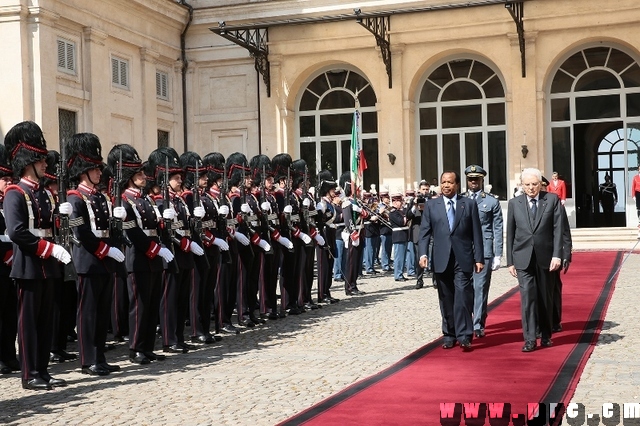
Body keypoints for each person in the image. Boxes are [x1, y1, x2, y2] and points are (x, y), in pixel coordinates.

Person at [4, 121, 71, 390]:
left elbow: (47, 225)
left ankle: (42, 370)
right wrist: (49, 249)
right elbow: (18, 231)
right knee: (29, 323)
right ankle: (29, 372)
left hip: (47, 267)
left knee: (46, 321)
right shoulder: (15, 192)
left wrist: (61, 219)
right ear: (28, 162)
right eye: (41, 161)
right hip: (29, 265)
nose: (46, 165)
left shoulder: (43, 193)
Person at [67, 133, 125, 376]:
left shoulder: (100, 197)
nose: (100, 173)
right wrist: (106, 250)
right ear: (84, 171)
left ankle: (99, 356)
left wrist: (118, 223)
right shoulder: (74, 198)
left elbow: (106, 228)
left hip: (104, 262)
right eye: (95, 169)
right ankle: (88, 359)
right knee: (88, 313)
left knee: (102, 313)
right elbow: (80, 232)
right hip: (88, 261)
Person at [111, 144, 174, 364]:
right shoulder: (124, 200)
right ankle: (135, 347)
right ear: (129, 177)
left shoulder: (144, 199)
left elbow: (154, 228)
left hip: (153, 258)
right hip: (138, 257)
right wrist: (154, 249)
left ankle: (147, 347)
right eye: (138, 174)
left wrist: (166, 221)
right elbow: (132, 231)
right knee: (139, 305)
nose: (143, 177)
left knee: (151, 303)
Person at [418, 171, 484, 351]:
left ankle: (464, 335)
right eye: (443, 182)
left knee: (463, 296)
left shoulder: (468, 204)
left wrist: (479, 257)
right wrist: (423, 254)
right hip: (441, 258)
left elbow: (476, 233)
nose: (446, 185)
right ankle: (449, 334)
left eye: (450, 182)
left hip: (462, 258)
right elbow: (424, 233)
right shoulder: (432, 205)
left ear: (457, 185)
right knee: (446, 298)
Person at [506, 167, 563, 353]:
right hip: (523, 258)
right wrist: (510, 261)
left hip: (546, 258)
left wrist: (557, 255)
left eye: (534, 184)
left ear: (541, 184)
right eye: (527, 185)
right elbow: (511, 233)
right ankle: (530, 339)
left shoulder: (552, 200)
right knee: (527, 298)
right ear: (522, 185)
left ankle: (546, 335)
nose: (531, 188)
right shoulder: (514, 203)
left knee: (544, 297)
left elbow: (557, 230)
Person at [464, 165, 503, 338]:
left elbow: (498, 229)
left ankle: (477, 323)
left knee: (480, 288)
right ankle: (466, 320)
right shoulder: (460, 200)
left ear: (482, 180)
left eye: (476, 179)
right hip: (464, 250)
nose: (473, 182)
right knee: (465, 289)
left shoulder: (491, 201)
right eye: (471, 179)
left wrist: (498, 254)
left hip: (485, 250)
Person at [0, 144, 20, 376]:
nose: (8, 182)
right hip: (1, 264)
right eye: (4, 178)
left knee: (10, 315)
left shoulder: (10, 201)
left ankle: (8, 355)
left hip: (13, 265)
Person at [406, 180, 429, 288]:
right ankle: (419, 280)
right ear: (419, 190)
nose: (425, 192)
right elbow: (408, 216)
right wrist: (415, 206)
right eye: (423, 189)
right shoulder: (412, 201)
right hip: (418, 232)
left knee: (433, 256)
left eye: (426, 189)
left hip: (431, 232)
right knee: (418, 257)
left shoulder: (432, 200)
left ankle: (435, 280)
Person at [389, 192, 409, 282]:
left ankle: (400, 273)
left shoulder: (400, 211)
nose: (401, 203)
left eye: (400, 201)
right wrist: (406, 216)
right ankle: (398, 275)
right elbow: (401, 222)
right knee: (399, 257)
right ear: (394, 202)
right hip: (398, 236)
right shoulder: (393, 213)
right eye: (399, 201)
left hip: (404, 236)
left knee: (403, 257)